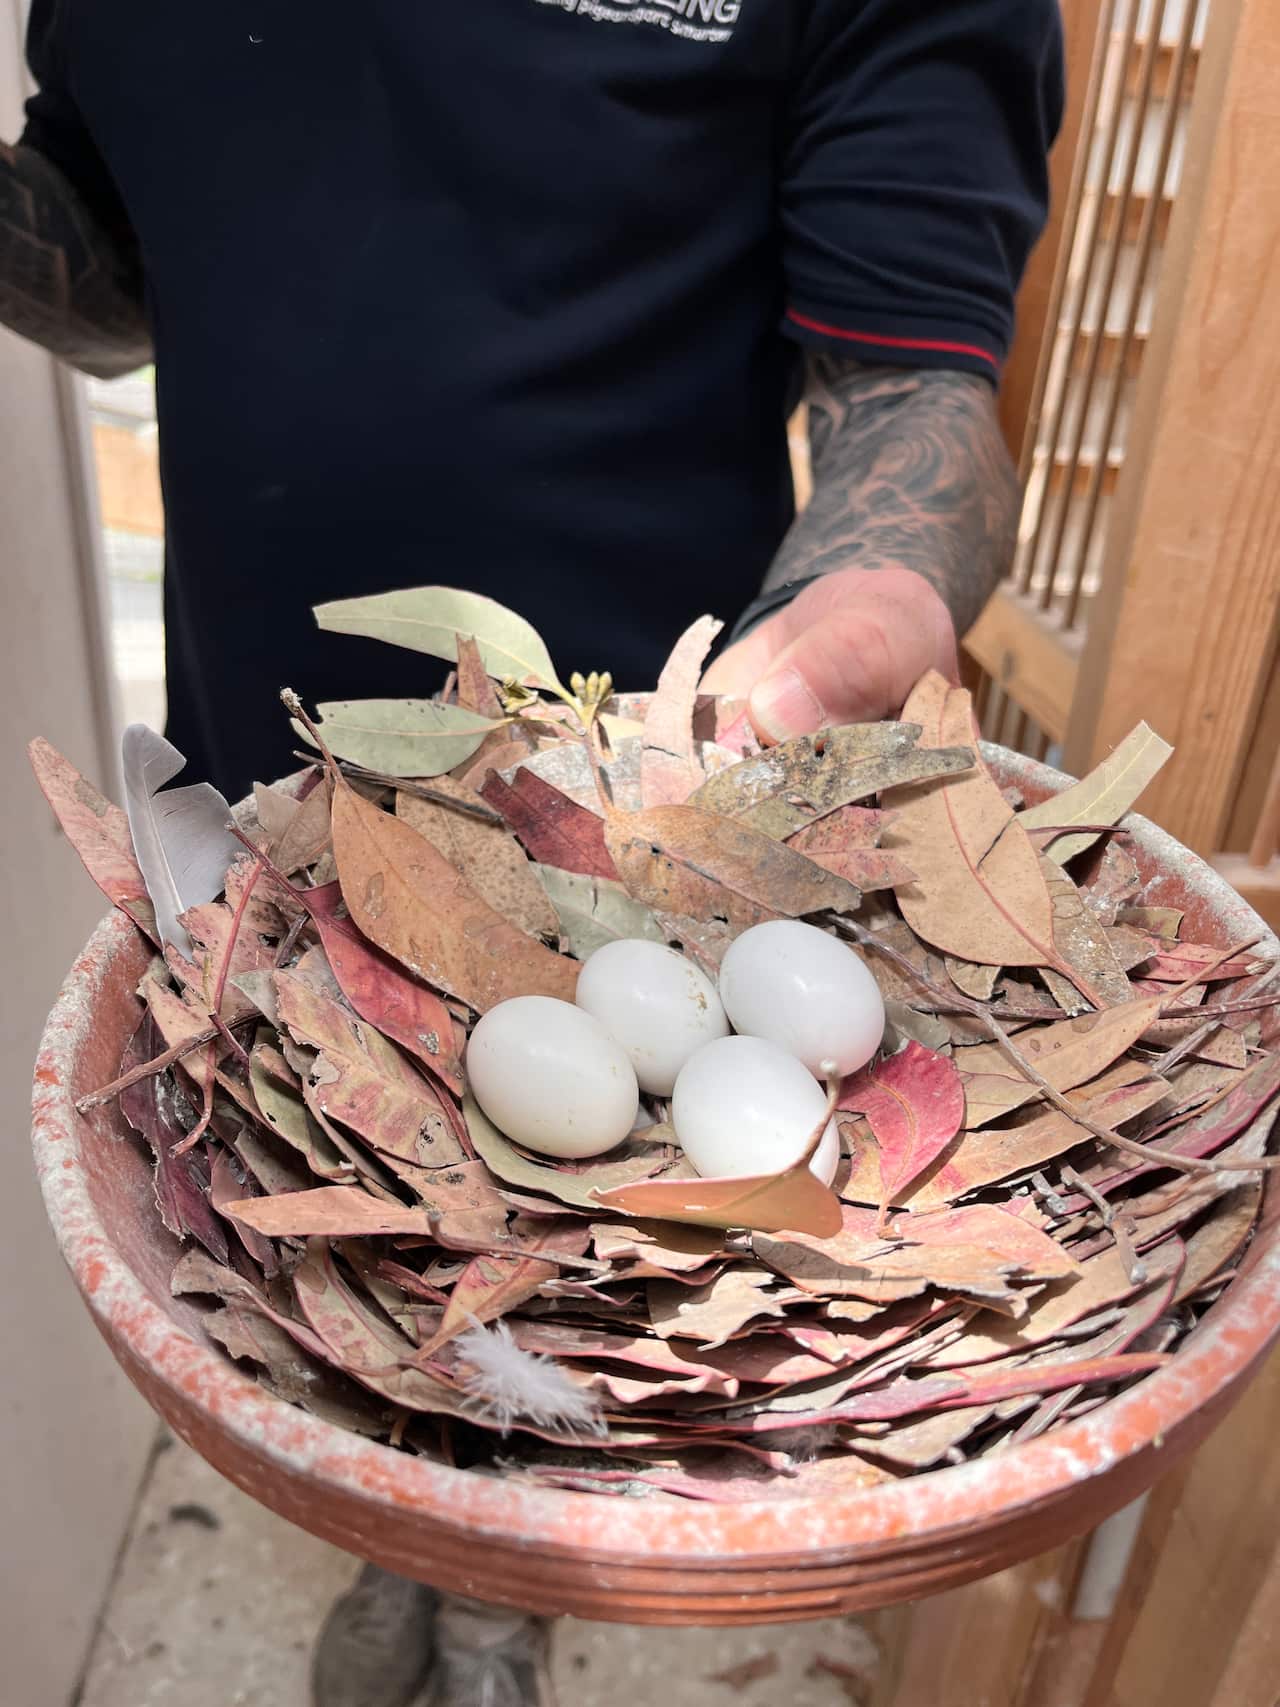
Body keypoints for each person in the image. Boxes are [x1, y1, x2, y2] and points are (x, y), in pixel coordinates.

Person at [2, 1, 1064, 1701]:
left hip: (636, 803)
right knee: (340, 1183)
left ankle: (506, 1588)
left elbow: (911, 374)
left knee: (585, 1205)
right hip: (275, 736)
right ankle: (404, 1529)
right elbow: (117, 264)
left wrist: (853, 616)